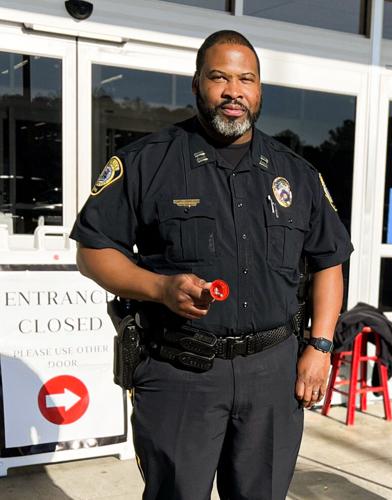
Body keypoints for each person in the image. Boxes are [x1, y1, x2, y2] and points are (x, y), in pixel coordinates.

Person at [70, 30, 352, 500]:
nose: (233, 91)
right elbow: (93, 252)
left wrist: (320, 347)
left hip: (273, 376)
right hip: (181, 371)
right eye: (219, 77)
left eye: (246, 79)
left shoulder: (297, 175)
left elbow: (329, 261)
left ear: (259, 90)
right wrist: (159, 288)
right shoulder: (147, 162)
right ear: (197, 84)